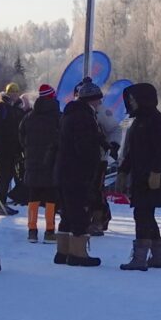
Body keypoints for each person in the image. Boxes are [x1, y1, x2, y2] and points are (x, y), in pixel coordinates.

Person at [116, 83, 161, 270]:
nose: (131, 102)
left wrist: (156, 172)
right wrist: (123, 170)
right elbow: (133, 150)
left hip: (151, 175)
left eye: (133, 99)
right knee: (146, 214)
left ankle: (140, 258)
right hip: (140, 173)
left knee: (142, 213)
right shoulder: (139, 119)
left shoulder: (156, 120)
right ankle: (158, 256)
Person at [52, 79, 107, 267]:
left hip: (62, 170)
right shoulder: (84, 117)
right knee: (79, 213)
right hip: (76, 172)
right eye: (98, 99)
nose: (100, 103)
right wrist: (93, 166)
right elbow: (85, 148)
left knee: (67, 213)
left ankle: (62, 252)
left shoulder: (69, 114)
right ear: (91, 100)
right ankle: (78, 254)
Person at [19, 83, 62, 243]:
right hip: (52, 162)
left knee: (33, 196)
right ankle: (49, 231)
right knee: (51, 197)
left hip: (32, 161)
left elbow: (21, 136)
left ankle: (32, 230)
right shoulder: (58, 117)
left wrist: (29, 150)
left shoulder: (29, 117)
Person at [0, 84, 25, 213]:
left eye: (16, 92)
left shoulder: (17, 108)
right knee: (3, 176)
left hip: (13, 149)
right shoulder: (2, 107)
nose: (14, 94)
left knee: (7, 176)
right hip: (3, 150)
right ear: (7, 93)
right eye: (11, 92)